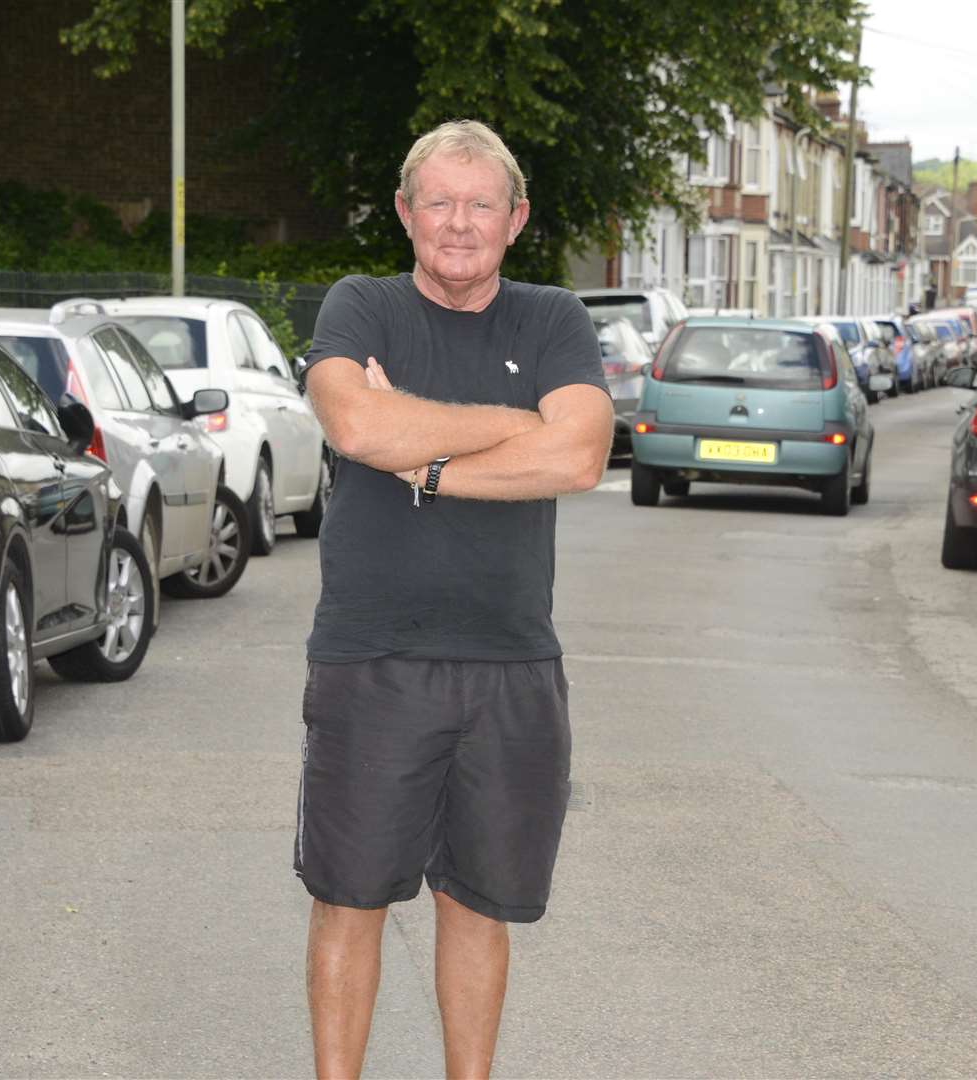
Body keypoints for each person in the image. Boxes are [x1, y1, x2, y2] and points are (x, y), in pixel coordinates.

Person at [294, 119, 613, 1079]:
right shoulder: (362, 305)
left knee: (479, 904)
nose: (459, 223)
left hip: (512, 659)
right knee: (349, 896)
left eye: (481, 204)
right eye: (439, 201)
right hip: (372, 657)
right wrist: (513, 428)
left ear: (515, 219)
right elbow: (352, 418)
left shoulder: (553, 318)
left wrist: (421, 462)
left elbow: (580, 454)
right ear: (404, 212)